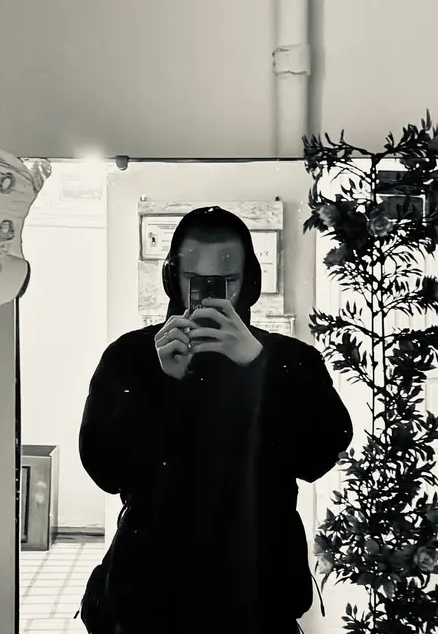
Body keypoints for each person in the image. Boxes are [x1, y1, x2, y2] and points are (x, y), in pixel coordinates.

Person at [79, 206, 353, 634]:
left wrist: (261, 369)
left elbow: (319, 455)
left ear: (251, 281)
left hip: (259, 597)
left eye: (226, 281)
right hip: (149, 595)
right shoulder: (131, 357)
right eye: (195, 280)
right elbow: (105, 470)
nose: (209, 296)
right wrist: (159, 385)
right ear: (173, 278)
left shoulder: (289, 359)